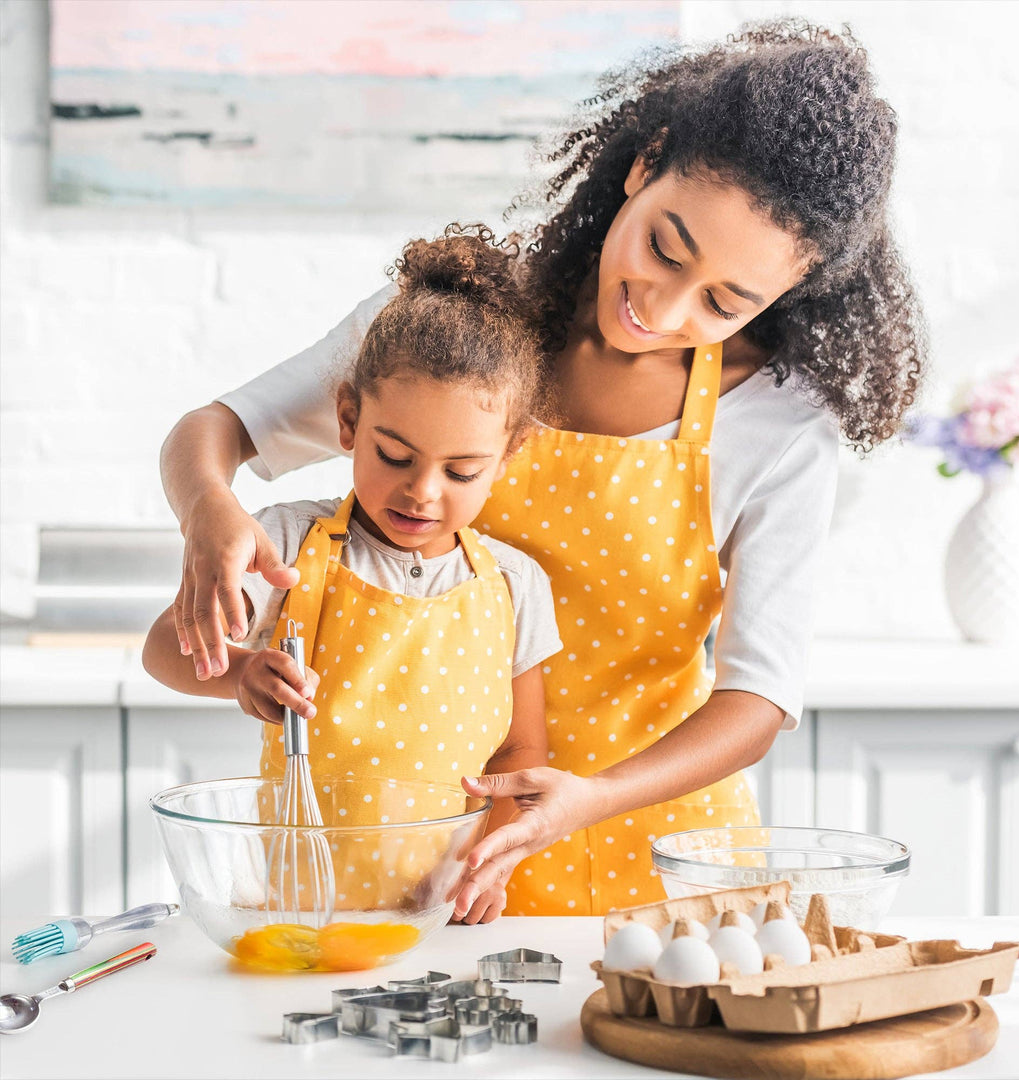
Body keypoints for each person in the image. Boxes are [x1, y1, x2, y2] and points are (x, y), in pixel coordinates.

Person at [157, 21, 925, 916]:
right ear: (644, 163)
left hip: (665, 860)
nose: (663, 306)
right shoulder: (455, 329)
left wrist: (590, 797)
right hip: (434, 861)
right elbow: (216, 430)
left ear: (788, 292)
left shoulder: (779, 422)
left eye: (724, 300)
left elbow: (759, 697)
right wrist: (209, 507)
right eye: (665, 249)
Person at [143, 227, 563, 924]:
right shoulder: (287, 545)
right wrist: (240, 671)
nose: (423, 492)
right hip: (299, 914)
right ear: (347, 420)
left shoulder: (516, 585)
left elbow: (521, 751)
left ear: (510, 453)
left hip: (444, 921)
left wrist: (494, 861)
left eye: (461, 472)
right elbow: (165, 649)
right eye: (394, 455)